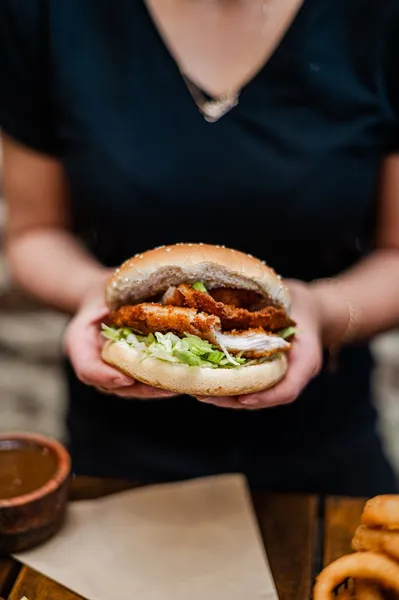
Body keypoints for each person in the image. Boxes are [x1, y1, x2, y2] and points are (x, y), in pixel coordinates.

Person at [1, 0, 399, 496]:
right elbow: (35, 232)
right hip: (119, 449)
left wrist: (321, 310)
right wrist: (93, 292)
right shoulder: (44, 15)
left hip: (326, 449)